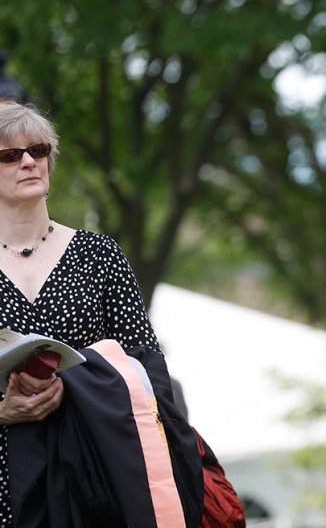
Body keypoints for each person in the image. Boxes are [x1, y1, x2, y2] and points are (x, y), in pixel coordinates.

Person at [0, 101, 200, 525]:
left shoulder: (99, 254)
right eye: (10, 155)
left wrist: (77, 383)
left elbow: (148, 367)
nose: (30, 162)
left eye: (39, 150)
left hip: (95, 467)